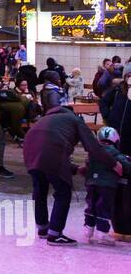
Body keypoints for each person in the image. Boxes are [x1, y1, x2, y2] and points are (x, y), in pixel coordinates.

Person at [22, 93, 123, 245]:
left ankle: (43, 228)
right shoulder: (75, 120)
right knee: (63, 191)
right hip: (52, 152)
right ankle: (55, 234)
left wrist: (75, 169)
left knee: (39, 189)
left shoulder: (46, 119)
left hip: (29, 151)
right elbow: (93, 147)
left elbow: (46, 152)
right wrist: (113, 164)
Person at [78, 126, 131, 245]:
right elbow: (127, 167)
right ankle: (102, 233)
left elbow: (87, 164)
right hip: (107, 186)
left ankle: (88, 229)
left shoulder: (93, 152)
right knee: (103, 207)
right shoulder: (116, 153)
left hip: (91, 184)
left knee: (91, 205)